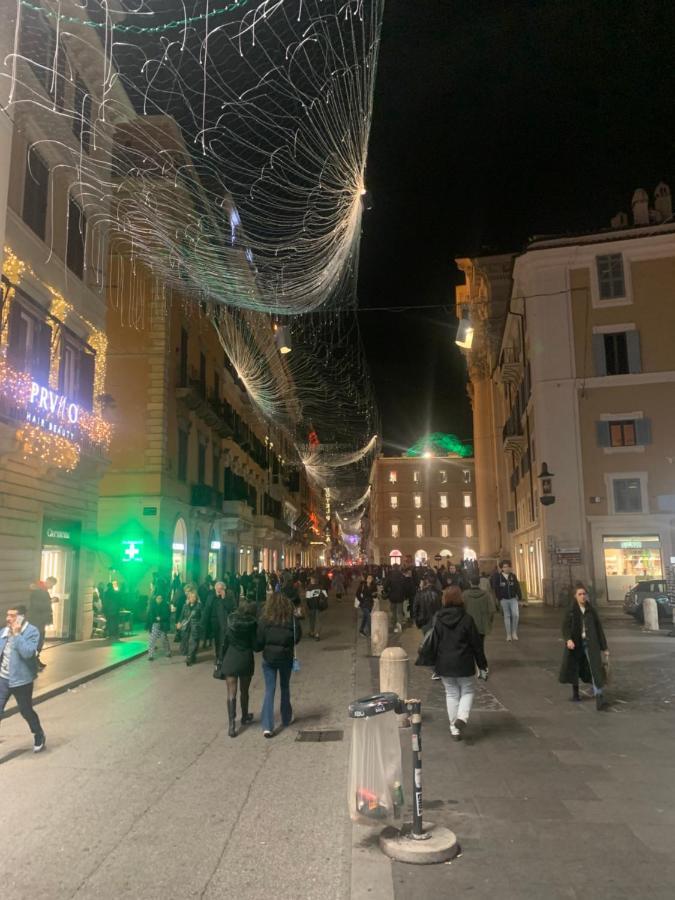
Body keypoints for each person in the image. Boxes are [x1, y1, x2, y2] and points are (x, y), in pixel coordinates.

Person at [427, 587, 487, 741]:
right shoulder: (467, 619)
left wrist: (433, 664)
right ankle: (462, 717)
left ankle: (454, 728)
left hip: (445, 663)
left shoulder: (438, 618)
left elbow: (435, 641)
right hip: (464, 662)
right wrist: (482, 665)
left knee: (451, 694)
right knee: (467, 690)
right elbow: (476, 645)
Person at [0, 605, 46, 752]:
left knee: (26, 710)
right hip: (3, 679)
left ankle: (38, 734)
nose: (8, 618)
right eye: (8, 615)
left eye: (12, 616)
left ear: (21, 617)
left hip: (22, 680)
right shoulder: (3, 631)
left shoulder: (32, 631)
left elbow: (28, 653)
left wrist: (17, 635)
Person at [256, 593, 301, 738]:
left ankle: (267, 726)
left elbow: (259, 641)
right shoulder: (291, 620)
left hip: (269, 659)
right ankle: (286, 718)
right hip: (285, 658)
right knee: (285, 687)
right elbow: (297, 637)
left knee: (269, 689)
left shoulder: (264, 620)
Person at [559, 584, 610, 710]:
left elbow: (599, 629)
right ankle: (575, 693)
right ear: (575, 596)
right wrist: (568, 640)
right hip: (576, 644)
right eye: (580, 594)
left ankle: (599, 697)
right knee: (575, 668)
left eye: (584, 594)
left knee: (595, 669)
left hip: (590, 643)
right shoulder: (571, 610)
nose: (582, 596)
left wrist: (604, 647)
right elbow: (565, 627)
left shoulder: (591, 610)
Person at [220, 600, 258, 737]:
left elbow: (224, 643)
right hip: (245, 660)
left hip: (231, 659)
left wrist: (220, 659)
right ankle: (245, 716)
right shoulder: (252, 625)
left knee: (231, 693)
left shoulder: (231, 623)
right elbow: (256, 646)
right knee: (244, 690)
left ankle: (231, 726)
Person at [462, 576, 495, 677]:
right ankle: (483, 667)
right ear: (479, 583)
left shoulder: (465, 595)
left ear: (470, 582)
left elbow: (461, 610)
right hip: (482, 625)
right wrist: (488, 622)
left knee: (468, 647)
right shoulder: (486, 595)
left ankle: (471, 667)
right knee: (480, 647)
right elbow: (492, 610)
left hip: (468, 625)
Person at [28, 576, 56, 669]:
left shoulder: (42, 590)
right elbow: (37, 605)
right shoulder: (38, 590)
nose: (52, 587)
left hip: (40, 621)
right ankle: (33, 661)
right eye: (52, 584)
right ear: (48, 582)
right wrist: (50, 601)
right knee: (37, 641)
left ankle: (36, 660)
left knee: (40, 641)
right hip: (37, 621)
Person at [492, 560, 522, 641]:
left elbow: (517, 587)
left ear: (510, 567)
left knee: (515, 615)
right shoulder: (499, 577)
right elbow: (496, 588)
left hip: (513, 599)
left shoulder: (513, 576)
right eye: (504, 567)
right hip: (504, 600)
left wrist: (520, 597)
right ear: (502, 568)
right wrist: (499, 598)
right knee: (507, 616)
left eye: (508, 566)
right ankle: (508, 635)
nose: (506, 568)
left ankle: (514, 632)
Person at [176, 585, 202, 666]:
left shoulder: (199, 605)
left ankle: (189, 657)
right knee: (185, 641)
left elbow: (202, 616)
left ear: (196, 597)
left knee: (193, 641)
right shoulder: (185, 605)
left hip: (195, 626)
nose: (192, 598)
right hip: (186, 626)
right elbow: (181, 615)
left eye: (193, 597)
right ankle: (192, 656)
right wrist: (179, 622)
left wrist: (200, 625)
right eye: (190, 597)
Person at [212, 581, 237, 662]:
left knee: (223, 640)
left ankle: (222, 657)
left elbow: (232, 608)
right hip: (215, 622)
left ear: (224, 589)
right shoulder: (213, 596)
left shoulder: (229, 594)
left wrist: (224, 598)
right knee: (216, 640)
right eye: (217, 589)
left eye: (220, 589)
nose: (218, 591)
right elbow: (208, 608)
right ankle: (217, 656)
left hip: (225, 622)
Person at [146, 589, 172, 661]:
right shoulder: (152, 605)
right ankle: (150, 654)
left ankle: (168, 652)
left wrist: (160, 618)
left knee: (164, 638)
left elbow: (167, 614)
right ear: (155, 598)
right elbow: (150, 615)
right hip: (155, 623)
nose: (159, 600)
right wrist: (154, 619)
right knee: (152, 638)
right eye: (158, 598)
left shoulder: (165, 605)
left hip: (163, 623)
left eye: (161, 598)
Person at [383, 566, 407, 633]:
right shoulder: (402, 576)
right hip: (400, 597)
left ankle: (393, 624)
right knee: (399, 612)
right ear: (399, 569)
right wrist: (404, 594)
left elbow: (385, 586)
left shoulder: (390, 576)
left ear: (393, 568)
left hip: (392, 597)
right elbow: (405, 587)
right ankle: (399, 625)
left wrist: (387, 591)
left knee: (393, 611)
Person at [305, 574, 327, 641]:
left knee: (312, 620)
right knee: (319, 620)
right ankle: (317, 634)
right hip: (319, 606)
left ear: (312, 580)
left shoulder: (309, 588)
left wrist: (307, 606)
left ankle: (312, 632)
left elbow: (307, 598)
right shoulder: (321, 587)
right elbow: (325, 596)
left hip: (312, 606)